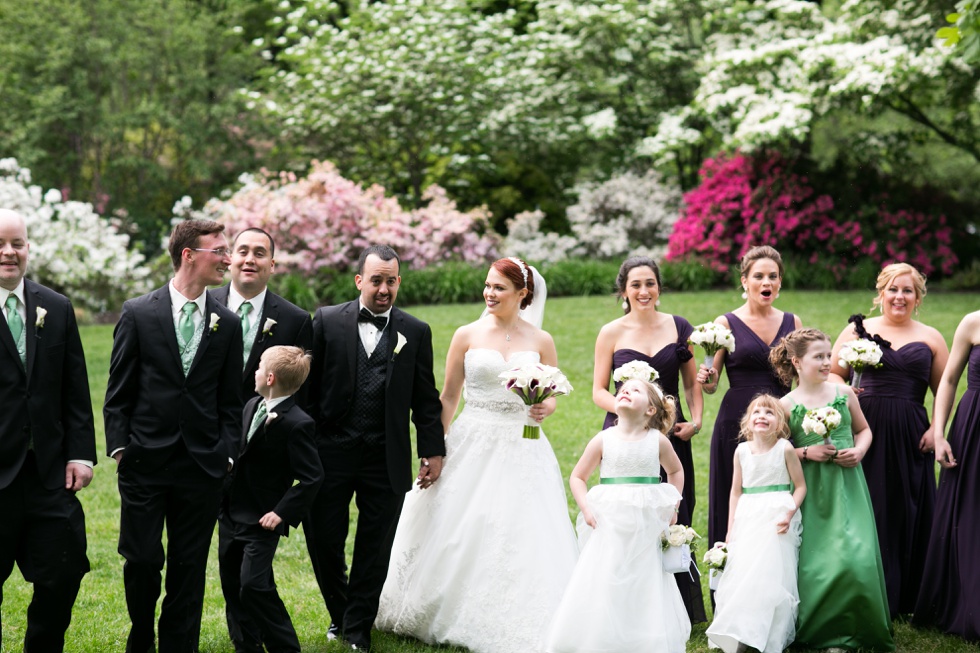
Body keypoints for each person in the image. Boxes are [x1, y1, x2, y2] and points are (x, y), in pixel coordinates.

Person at [375, 257, 578, 653]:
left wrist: (543, 408)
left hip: (524, 443)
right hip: (473, 439)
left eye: (499, 288)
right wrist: (435, 449)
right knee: (460, 526)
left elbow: (552, 396)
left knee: (521, 529)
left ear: (523, 294)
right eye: (487, 285)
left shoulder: (541, 340)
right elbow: (448, 398)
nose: (489, 293)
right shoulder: (466, 334)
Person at [104, 219, 244, 653]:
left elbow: (230, 401)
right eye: (218, 251)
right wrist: (122, 447)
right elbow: (117, 392)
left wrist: (226, 454)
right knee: (143, 560)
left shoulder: (227, 322)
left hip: (202, 465)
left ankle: (179, 645)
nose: (227, 259)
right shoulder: (138, 313)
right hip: (144, 463)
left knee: (189, 566)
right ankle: (141, 633)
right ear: (189, 255)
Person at [303, 245, 445, 652]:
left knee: (375, 546)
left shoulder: (415, 331)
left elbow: (425, 397)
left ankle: (358, 627)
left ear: (398, 282)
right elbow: (309, 391)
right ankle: (341, 612)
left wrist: (432, 450)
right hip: (330, 451)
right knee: (323, 539)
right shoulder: (328, 321)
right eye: (376, 280)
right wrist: (305, 445)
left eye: (391, 281)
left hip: (386, 456)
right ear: (359, 280)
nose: (383, 289)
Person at [0, 208, 96, 651]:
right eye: (0, 244)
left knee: (64, 570)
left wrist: (80, 453)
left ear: (28, 248)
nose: (8, 252)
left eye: (16, 243)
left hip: (48, 472)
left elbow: (75, 385)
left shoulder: (54, 307)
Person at [829, 263, 948, 617]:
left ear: (918, 298)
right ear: (880, 293)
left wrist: (936, 428)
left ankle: (910, 595)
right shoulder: (856, 331)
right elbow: (833, 372)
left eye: (907, 291)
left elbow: (944, 389)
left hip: (913, 433)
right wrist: (846, 389)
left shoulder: (931, 337)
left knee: (907, 505)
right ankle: (865, 590)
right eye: (893, 289)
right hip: (866, 428)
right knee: (871, 506)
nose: (900, 297)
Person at [592, 256, 706, 623]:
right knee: (627, 516)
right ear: (624, 290)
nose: (644, 291)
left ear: (659, 288)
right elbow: (598, 391)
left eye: (650, 284)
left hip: (671, 433)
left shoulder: (679, 327)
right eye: (636, 284)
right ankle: (627, 605)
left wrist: (698, 420)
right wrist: (633, 415)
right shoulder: (611, 332)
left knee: (672, 513)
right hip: (624, 434)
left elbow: (690, 383)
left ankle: (678, 610)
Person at [546, 378, 690, 653]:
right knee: (608, 571)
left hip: (646, 524)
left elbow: (676, 471)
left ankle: (644, 638)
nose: (625, 391)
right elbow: (578, 476)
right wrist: (586, 508)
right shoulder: (603, 439)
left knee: (644, 576)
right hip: (610, 520)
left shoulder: (657, 441)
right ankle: (600, 637)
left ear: (650, 410)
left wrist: (673, 504)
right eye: (623, 389)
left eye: (636, 391)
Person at [772, 328, 894, 651]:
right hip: (811, 490)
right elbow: (772, 455)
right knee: (817, 563)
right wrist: (805, 452)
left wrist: (859, 450)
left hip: (848, 484)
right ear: (797, 362)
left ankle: (859, 626)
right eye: (819, 357)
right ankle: (820, 632)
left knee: (857, 555)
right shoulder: (785, 405)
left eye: (829, 356)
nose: (828, 362)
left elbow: (863, 430)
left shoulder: (844, 394)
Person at [218, 346, 323, 652]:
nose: (255, 371)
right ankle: (245, 644)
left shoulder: (297, 423)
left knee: (253, 585)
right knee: (232, 583)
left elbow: (312, 477)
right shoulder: (252, 405)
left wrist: (281, 512)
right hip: (231, 512)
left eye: (259, 367)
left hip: (262, 519)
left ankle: (285, 646)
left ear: (271, 377)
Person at [697, 245, 801, 548]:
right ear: (745, 281)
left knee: (777, 492)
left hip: (779, 419)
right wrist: (708, 378)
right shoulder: (725, 323)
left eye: (773, 276)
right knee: (734, 492)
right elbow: (711, 385)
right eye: (758, 276)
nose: (766, 282)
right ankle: (726, 568)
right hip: (736, 420)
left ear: (780, 282)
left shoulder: (793, 322)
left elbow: (802, 375)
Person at [706, 395, 805, 653]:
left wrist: (789, 512)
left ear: (780, 422)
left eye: (769, 413)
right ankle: (740, 631)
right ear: (748, 421)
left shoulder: (784, 448)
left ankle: (770, 635)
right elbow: (735, 492)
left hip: (777, 516)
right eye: (757, 412)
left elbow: (800, 486)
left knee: (771, 574)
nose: (762, 416)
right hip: (748, 515)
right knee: (744, 572)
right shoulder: (741, 451)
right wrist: (730, 529)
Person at [913, 310, 980, 641]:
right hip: (974, 427)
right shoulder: (973, 322)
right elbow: (950, 380)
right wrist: (939, 433)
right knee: (968, 514)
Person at [209, 227, 314, 402]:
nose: (249, 260)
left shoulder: (296, 320)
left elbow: (302, 391)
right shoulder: (204, 306)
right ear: (230, 259)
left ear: (271, 265)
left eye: (259, 254)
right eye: (243, 252)